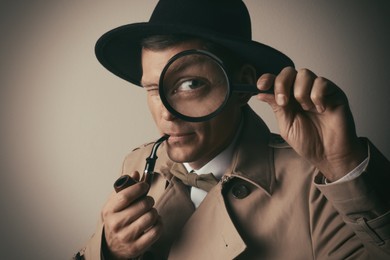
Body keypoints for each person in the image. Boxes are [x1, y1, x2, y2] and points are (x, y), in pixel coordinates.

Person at [75, 0, 390, 259]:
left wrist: (344, 165)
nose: (166, 115)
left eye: (189, 84)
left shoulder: (316, 183)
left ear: (240, 88)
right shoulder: (139, 165)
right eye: (153, 89)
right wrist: (110, 250)